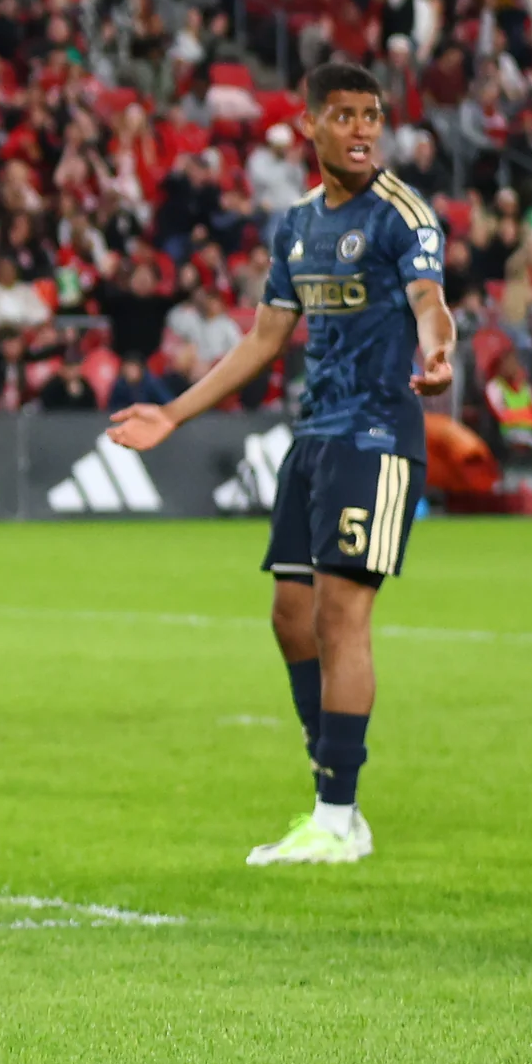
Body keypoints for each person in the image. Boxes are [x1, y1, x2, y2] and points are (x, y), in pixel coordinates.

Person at [109, 62, 455, 867]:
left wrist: (437, 353)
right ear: (310, 125)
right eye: (345, 115)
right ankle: (333, 796)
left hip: (375, 436)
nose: (362, 129)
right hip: (314, 437)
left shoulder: (403, 214)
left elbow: (431, 303)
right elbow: (264, 339)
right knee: (290, 619)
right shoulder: (296, 224)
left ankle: (336, 818)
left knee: (340, 618)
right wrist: (172, 413)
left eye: (372, 115)